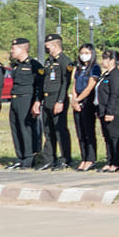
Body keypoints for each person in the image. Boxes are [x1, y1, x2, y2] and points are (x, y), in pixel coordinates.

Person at [7, 38, 44, 170]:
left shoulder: (34, 65)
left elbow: (40, 85)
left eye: (13, 48)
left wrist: (37, 101)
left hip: (27, 100)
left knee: (26, 129)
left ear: (22, 49)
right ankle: (20, 157)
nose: (11, 51)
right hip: (15, 99)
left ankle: (29, 157)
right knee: (15, 128)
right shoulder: (16, 65)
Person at [40, 33, 73, 170]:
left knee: (60, 130)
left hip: (57, 98)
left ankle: (65, 159)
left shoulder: (64, 61)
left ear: (54, 45)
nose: (46, 48)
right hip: (47, 98)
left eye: (47, 46)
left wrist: (60, 100)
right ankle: (49, 159)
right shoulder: (49, 61)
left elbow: (66, 82)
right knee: (48, 130)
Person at [94, 50, 119, 171]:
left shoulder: (116, 75)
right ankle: (109, 161)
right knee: (107, 136)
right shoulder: (106, 74)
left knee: (114, 136)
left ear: (112, 61)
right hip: (102, 109)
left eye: (105, 59)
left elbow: (115, 95)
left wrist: (110, 112)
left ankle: (117, 163)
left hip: (114, 110)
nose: (102, 61)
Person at [70, 43, 101, 170]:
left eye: (87, 53)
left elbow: (89, 87)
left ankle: (90, 159)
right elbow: (74, 84)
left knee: (88, 131)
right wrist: (74, 99)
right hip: (77, 101)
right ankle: (83, 158)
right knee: (80, 132)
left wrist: (78, 99)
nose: (84, 55)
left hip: (88, 101)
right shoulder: (79, 68)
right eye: (82, 53)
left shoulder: (95, 68)